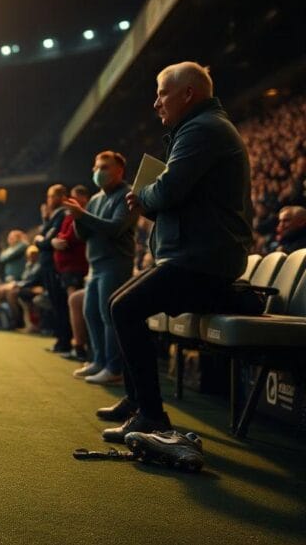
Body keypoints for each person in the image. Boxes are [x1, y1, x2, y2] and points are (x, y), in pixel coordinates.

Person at [102, 62, 253, 443]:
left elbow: (166, 192)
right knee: (120, 303)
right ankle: (138, 402)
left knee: (124, 307)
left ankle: (151, 414)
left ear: (188, 93)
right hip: (197, 256)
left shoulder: (202, 129)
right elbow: (168, 199)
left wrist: (144, 196)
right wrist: (151, 200)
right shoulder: (200, 127)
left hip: (203, 260)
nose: (156, 103)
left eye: (162, 93)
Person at [66, 151, 137, 386]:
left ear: (119, 171)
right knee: (91, 313)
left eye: (105, 167)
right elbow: (82, 234)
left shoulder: (127, 195)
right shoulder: (95, 199)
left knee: (108, 316)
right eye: (97, 167)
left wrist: (83, 215)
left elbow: (115, 228)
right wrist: (78, 217)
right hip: (95, 265)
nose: (99, 172)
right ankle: (98, 361)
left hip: (115, 263)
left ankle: (113, 368)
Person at [51, 185, 91, 359]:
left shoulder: (82, 214)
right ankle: (77, 344)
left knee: (76, 306)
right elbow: (62, 234)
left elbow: (72, 235)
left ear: (83, 198)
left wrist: (59, 240)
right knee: (73, 305)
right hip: (67, 268)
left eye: (73, 197)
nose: (69, 201)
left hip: (76, 267)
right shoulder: (70, 215)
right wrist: (56, 240)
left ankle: (79, 346)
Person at [34, 185, 72, 353]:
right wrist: (44, 220)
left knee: (59, 304)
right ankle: (60, 340)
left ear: (60, 197)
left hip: (54, 266)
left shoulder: (62, 215)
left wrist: (40, 240)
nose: (48, 200)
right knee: (56, 304)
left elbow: (44, 242)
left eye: (50, 196)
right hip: (48, 266)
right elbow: (45, 238)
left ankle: (64, 342)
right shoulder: (53, 217)